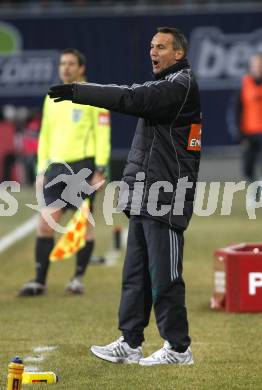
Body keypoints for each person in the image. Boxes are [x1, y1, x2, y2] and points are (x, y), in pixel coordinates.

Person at [49, 27, 201, 365]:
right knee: (135, 275)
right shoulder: (165, 85)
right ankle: (130, 342)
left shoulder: (180, 86)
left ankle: (178, 348)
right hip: (145, 193)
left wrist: (80, 91)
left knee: (165, 277)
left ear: (179, 54)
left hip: (168, 194)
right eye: (151, 46)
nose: (153, 52)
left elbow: (130, 98)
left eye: (161, 47)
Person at [18, 48, 111, 296]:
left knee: (82, 226)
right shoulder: (52, 98)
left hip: (84, 167)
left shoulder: (94, 95)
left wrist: (100, 168)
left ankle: (77, 279)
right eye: (62, 63)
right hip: (55, 169)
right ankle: (39, 281)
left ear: (81, 68)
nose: (65, 68)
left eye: (71, 64)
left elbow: (102, 134)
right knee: (45, 224)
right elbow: (45, 136)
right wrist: (40, 170)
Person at [236, 53, 262, 204]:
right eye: (255, 64)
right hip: (249, 133)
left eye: (260, 64)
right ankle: (256, 193)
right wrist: (240, 134)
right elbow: (237, 110)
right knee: (247, 168)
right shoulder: (245, 84)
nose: (258, 67)